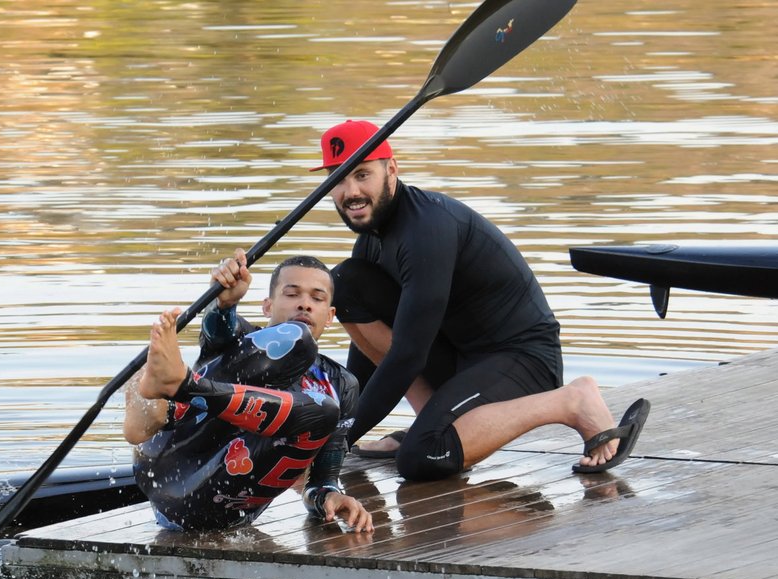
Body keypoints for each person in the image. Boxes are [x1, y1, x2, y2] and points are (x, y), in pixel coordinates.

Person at [312, 119, 650, 480]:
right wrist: (341, 432)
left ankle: (572, 400)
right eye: (338, 178)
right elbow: (367, 355)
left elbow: (407, 355)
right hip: (462, 359)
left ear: (391, 170)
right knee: (344, 283)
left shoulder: (426, 229)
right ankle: (431, 418)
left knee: (423, 457)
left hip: (521, 359)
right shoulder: (371, 238)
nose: (350, 192)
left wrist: (335, 443)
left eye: (362, 175)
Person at [123, 249, 374, 533]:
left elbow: (321, 481)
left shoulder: (340, 384)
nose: (304, 305)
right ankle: (157, 405)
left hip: (212, 504)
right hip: (165, 461)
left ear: (329, 316)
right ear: (267, 306)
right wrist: (225, 305)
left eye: (316, 298)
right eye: (292, 294)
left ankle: (177, 387)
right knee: (295, 340)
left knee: (323, 409)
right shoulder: (237, 340)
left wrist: (331, 496)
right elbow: (218, 332)